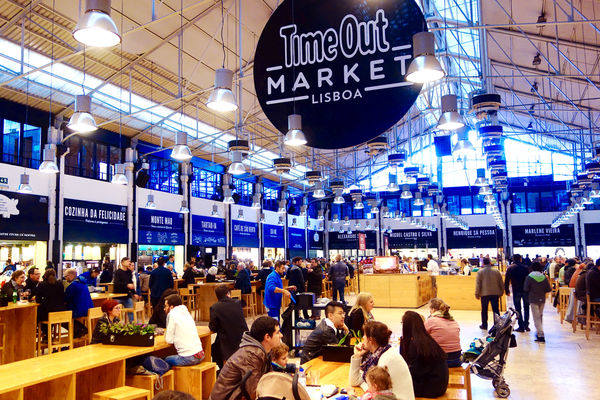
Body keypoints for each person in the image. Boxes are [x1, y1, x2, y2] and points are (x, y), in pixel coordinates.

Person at [209, 316, 282, 400]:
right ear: (267, 337)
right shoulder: (252, 355)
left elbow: (269, 379)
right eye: (278, 332)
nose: (281, 335)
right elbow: (253, 392)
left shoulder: (264, 351)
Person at [349, 321, 414, 400]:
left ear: (371, 340)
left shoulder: (386, 360)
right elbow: (355, 381)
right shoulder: (376, 354)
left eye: (364, 335)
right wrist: (357, 356)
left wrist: (353, 395)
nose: (363, 337)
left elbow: (377, 393)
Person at [400, 311, 448, 398]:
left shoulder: (415, 345)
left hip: (431, 387)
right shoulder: (425, 339)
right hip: (440, 384)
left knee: (397, 386)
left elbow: (415, 373)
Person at [209, 284, 249, 369]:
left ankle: (223, 371)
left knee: (214, 349)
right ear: (228, 294)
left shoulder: (215, 307)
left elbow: (212, 327)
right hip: (243, 339)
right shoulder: (238, 303)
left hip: (227, 342)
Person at [163, 294, 205, 366]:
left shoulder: (172, 314)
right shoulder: (186, 312)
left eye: (166, 306)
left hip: (188, 358)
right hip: (200, 355)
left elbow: (169, 340)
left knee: (163, 360)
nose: (164, 309)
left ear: (171, 307)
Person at [425, 298, 461, 367]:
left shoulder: (431, 320)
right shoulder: (453, 320)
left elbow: (422, 337)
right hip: (456, 359)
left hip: (440, 360)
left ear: (433, 309)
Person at [524, 262, 552, 343]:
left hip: (533, 299)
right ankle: (539, 331)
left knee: (536, 317)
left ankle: (540, 334)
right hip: (542, 299)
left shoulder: (529, 277)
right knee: (540, 316)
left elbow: (525, 288)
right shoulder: (543, 277)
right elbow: (548, 289)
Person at [475, 257, 504, 330]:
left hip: (484, 294)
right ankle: (497, 325)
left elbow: (478, 284)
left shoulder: (480, 272)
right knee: (496, 310)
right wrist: (501, 291)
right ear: (490, 263)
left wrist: (477, 293)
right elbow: (501, 282)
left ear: (483, 263)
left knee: (484, 310)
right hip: (495, 293)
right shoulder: (496, 271)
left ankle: (484, 325)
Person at [504, 254, 530, 332]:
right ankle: (526, 325)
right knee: (526, 307)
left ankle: (521, 326)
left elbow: (507, 280)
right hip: (525, 290)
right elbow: (529, 279)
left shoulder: (510, 268)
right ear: (520, 259)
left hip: (516, 290)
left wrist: (507, 290)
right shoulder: (526, 268)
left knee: (518, 308)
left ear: (513, 259)